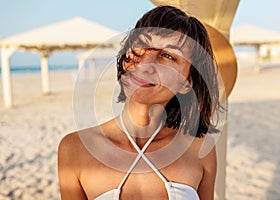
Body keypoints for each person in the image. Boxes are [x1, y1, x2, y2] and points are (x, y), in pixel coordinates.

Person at [58, 5, 224, 200]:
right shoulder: (75, 149)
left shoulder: (200, 149)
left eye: (168, 56)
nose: (146, 64)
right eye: (142, 47)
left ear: (187, 83)